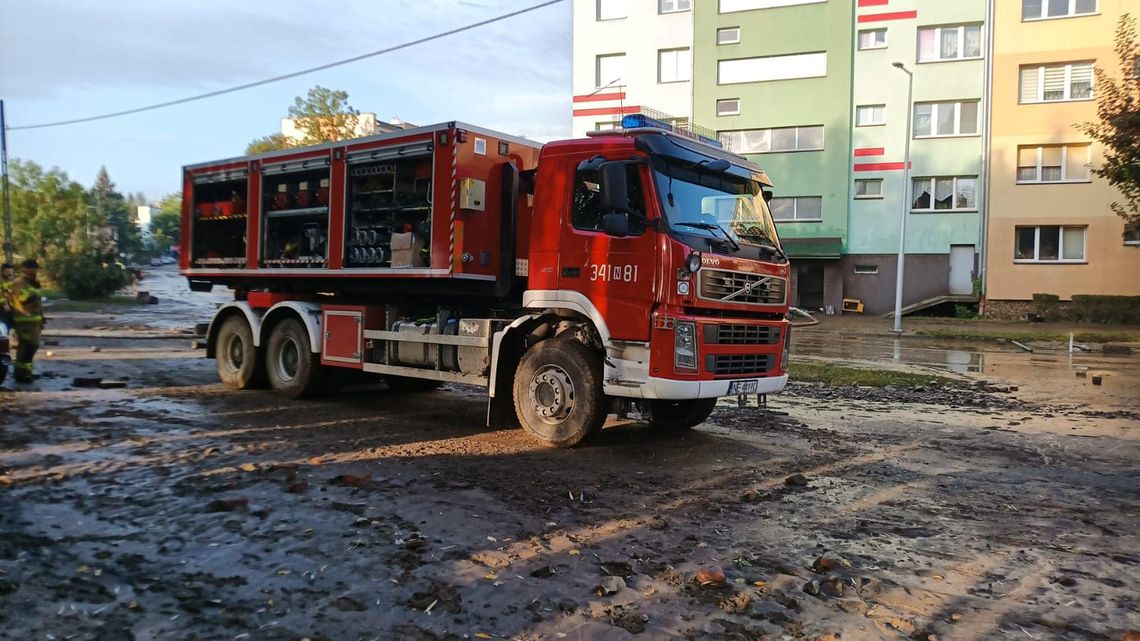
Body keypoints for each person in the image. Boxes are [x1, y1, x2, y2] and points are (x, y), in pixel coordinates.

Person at [7, 259, 44, 384]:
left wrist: (41, 319)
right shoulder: (19, 283)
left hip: (34, 321)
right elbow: (16, 300)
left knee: (32, 347)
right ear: (26, 270)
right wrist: (29, 295)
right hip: (24, 321)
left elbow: (38, 302)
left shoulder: (33, 283)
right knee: (26, 347)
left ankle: (26, 372)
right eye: (34, 269)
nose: (36, 272)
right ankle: (20, 374)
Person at [0, 262, 14, 326]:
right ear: (3, 272)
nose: (10, 273)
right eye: (7, 272)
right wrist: (4, 303)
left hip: (11, 307)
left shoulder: (11, 280)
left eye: (11, 272)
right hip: (2, 308)